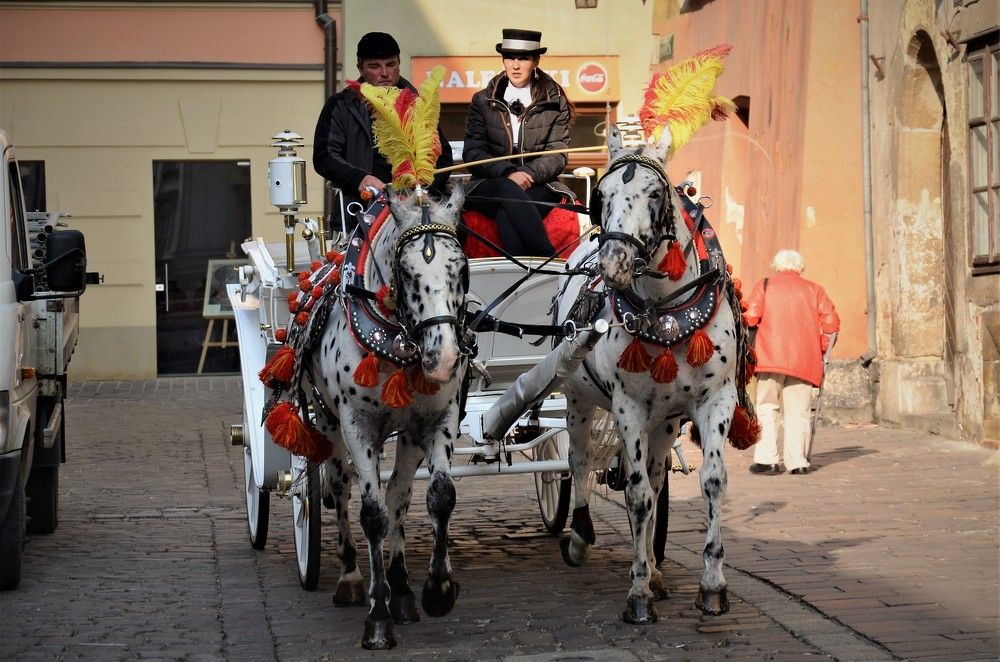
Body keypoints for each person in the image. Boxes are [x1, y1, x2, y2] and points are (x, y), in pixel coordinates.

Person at [312, 31, 453, 230]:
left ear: (399, 63)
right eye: (374, 66)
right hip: (361, 208)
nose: (385, 73)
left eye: (391, 64)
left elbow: (442, 156)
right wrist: (360, 179)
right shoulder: (340, 105)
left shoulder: (419, 103)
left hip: (418, 206)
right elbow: (324, 157)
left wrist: (424, 188)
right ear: (360, 68)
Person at [462, 28, 574, 257]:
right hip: (488, 184)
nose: (515, 65)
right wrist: (508, 172)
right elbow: (473, 152)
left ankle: (520, 273)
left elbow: (557, 154)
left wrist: (527, 173)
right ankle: (546, 256)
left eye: (523, 58)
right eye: (509, 57)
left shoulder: (556, 101)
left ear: (536, 61)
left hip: (539, 184)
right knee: (507, 188)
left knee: (508, 211)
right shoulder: (482, 100)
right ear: (503, 60)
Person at [742, 249, 840, 476]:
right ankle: (798, 462)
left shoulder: (765, 285)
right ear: (800, 267)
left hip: (769, 357)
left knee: (767, 407)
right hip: (804, 360)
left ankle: (767, 460)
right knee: (799, 411)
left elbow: (750, 317)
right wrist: (822, 349)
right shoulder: (815, 290)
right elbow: (832, 324)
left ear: (777, 266)